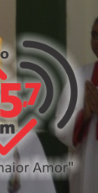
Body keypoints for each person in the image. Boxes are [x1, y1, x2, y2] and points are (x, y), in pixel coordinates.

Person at [55, 17, 98, 193]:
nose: (96, 41)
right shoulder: (80, 76)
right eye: (94, 35)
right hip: (87, 169)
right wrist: (85, 116)